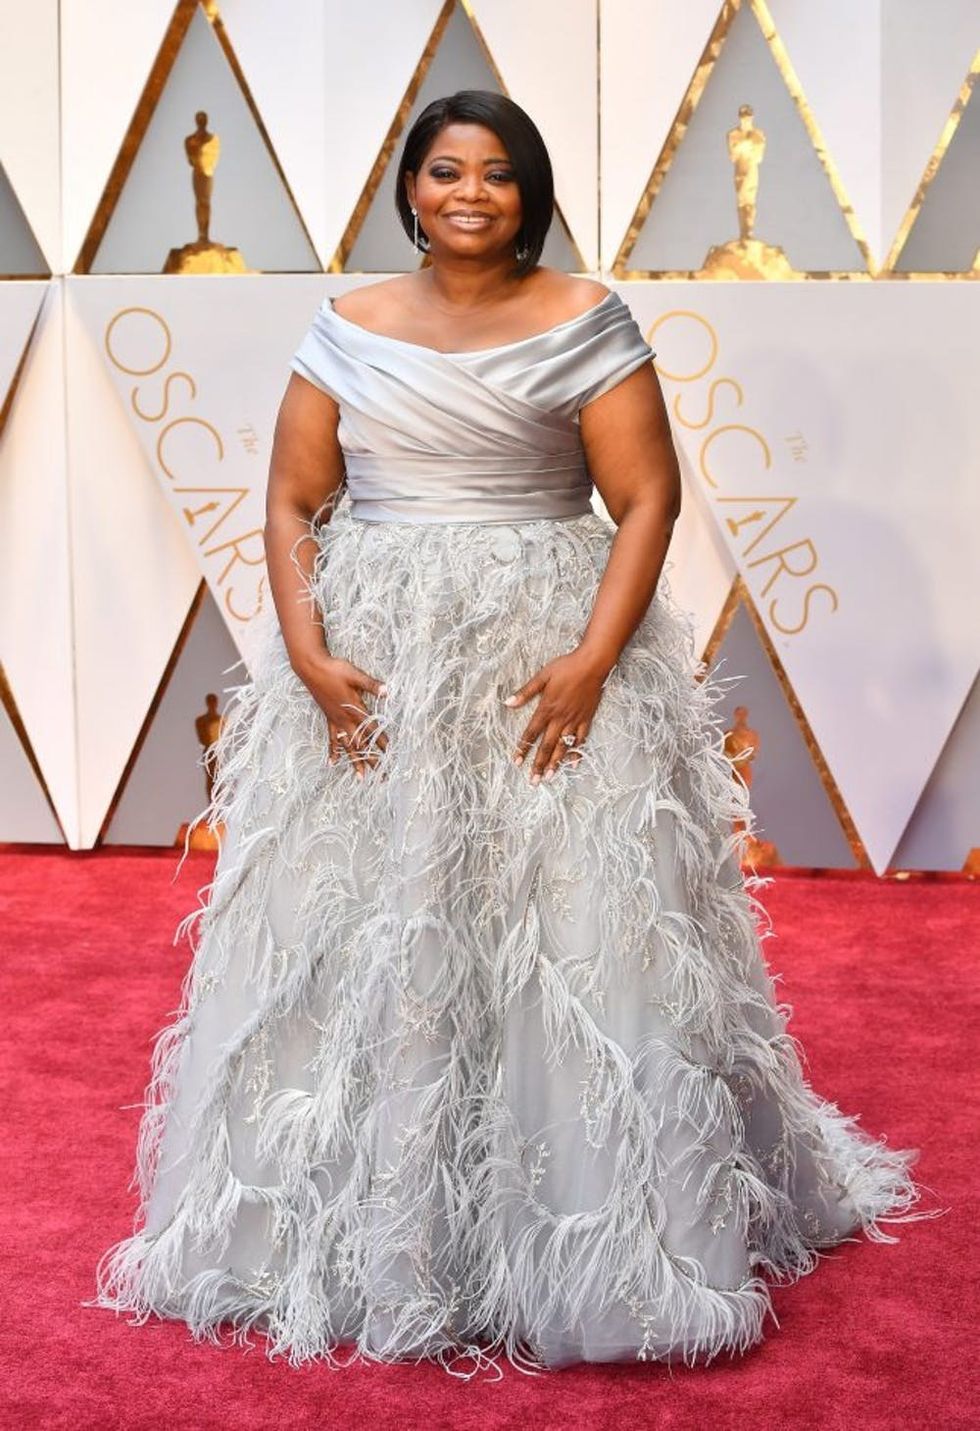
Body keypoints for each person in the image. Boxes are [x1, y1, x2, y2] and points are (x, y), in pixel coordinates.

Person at [89, 89, 927, 1376]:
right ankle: (388, 1227)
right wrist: (307, 650)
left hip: (540, 651)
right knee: (374, 918)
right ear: (409, 190)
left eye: (494, 173)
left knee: (568, 922)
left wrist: (593, 660)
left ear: (529, 192)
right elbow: (292, 497)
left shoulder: (588, 318)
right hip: (379, 660)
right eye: (443, 171)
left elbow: (645, 498)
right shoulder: (347, 324)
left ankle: (578, 1234)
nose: (468, 193)